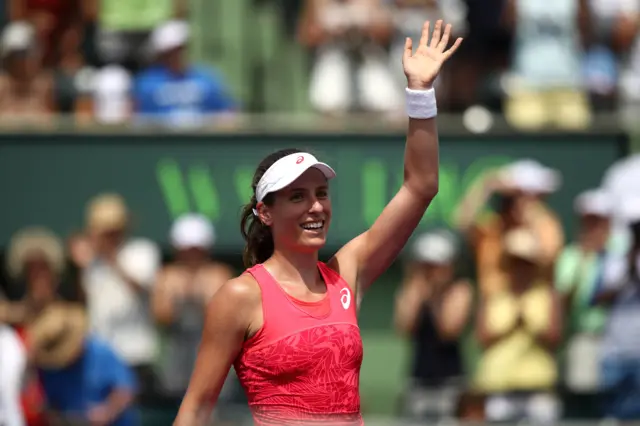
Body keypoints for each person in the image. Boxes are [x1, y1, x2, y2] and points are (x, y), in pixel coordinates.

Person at [174, 19, 463, 426]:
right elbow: (197, 406)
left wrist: (419, 92)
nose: (316, 207)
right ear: (265, 212)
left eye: (321, 194)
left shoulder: (347, 274)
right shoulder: (239, 297)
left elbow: (421, 186)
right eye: (297, 197)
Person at [394, 230, 472, 422]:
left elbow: (448, 329)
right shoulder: (413, 290)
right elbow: (404, 327)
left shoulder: (461, 290)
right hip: (418, 380)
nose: (431, 272)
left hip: (451, 382)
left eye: (436, 266)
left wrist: (436, 294)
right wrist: (418, 290)